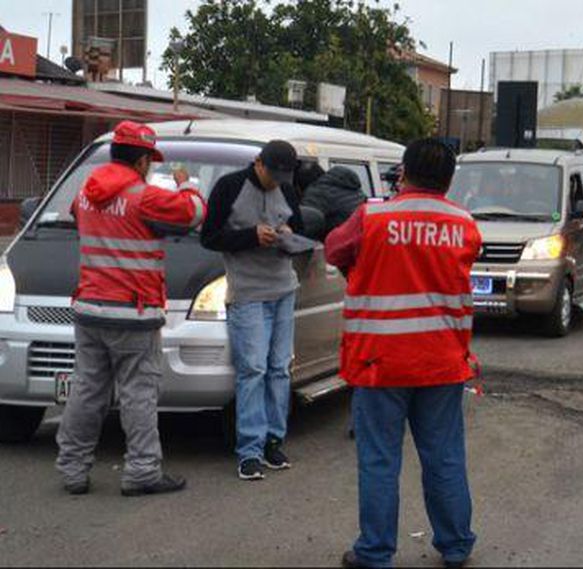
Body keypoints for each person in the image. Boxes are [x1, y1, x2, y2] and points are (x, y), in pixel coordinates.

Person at [326, 139, 482, 568]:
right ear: (450, 179)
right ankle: (455, 545)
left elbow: (334, 249)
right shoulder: (464, 223)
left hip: (380, 361)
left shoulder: (372, 215)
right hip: (441, 360)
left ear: (403, 172)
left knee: (379, 459)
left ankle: (375, 552)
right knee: (445, 456)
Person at [56, 121, 206, 496]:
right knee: (138, 393)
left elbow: (80, 219)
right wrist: (188, 183)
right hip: (133, 313)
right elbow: (193, 213)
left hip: (90, 307)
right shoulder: (145, 197)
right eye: (149, 161)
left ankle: (72, 469)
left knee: (87, 390)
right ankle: (141, 471)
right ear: (141, 161)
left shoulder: (85, 193)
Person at [200, 140, 305, 481]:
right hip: (246, 293)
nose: (277, 181)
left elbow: (302, 229)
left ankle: (274, 441)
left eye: (283, 176)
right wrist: (249, 236)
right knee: (253, 370)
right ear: (258, 163)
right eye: (272, 174)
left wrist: (290, 234)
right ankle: (249, 451)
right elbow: (210, 237)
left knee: (279, 369)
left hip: (284, 289)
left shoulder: (287, 189)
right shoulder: (230, 187)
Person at [300, 165, 367, 242]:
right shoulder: (353, 189)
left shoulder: (317, 191)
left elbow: (305, 223)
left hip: (338, 243)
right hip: (361, 239)